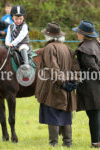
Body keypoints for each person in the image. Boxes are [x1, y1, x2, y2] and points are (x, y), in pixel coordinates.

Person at [35, 23, 77, 147]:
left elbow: (54, 68)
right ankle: (67, 143)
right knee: (65, 115)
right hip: (65, 86)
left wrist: (63, 83)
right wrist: (72, 81)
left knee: (52, 115)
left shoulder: (49, 48)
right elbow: (76, 67)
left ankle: (53, 144)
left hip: (54, 87)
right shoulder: (67, 48)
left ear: (49, 36)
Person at [72, 20, 100, 148]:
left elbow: (93, 69)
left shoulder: (85, 49)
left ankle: (96, 142)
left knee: (94, 115)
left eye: (78, 32)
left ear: (83, 34)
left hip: (92, 87)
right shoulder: (96, 44)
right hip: (95, 86)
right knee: (96, 114)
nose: (77, 34)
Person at [5, 5, 30, 69]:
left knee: (22, 48)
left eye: (20, 19)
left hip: (23, 44)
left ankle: (26, 65)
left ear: (23, 18)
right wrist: (7, 43)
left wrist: (12, 43)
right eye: (16, 19)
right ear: (12, 18)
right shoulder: (10, 26)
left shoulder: (25, 26)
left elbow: (20, 37)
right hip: (13, 46)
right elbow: (8, 37)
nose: (18, 21)